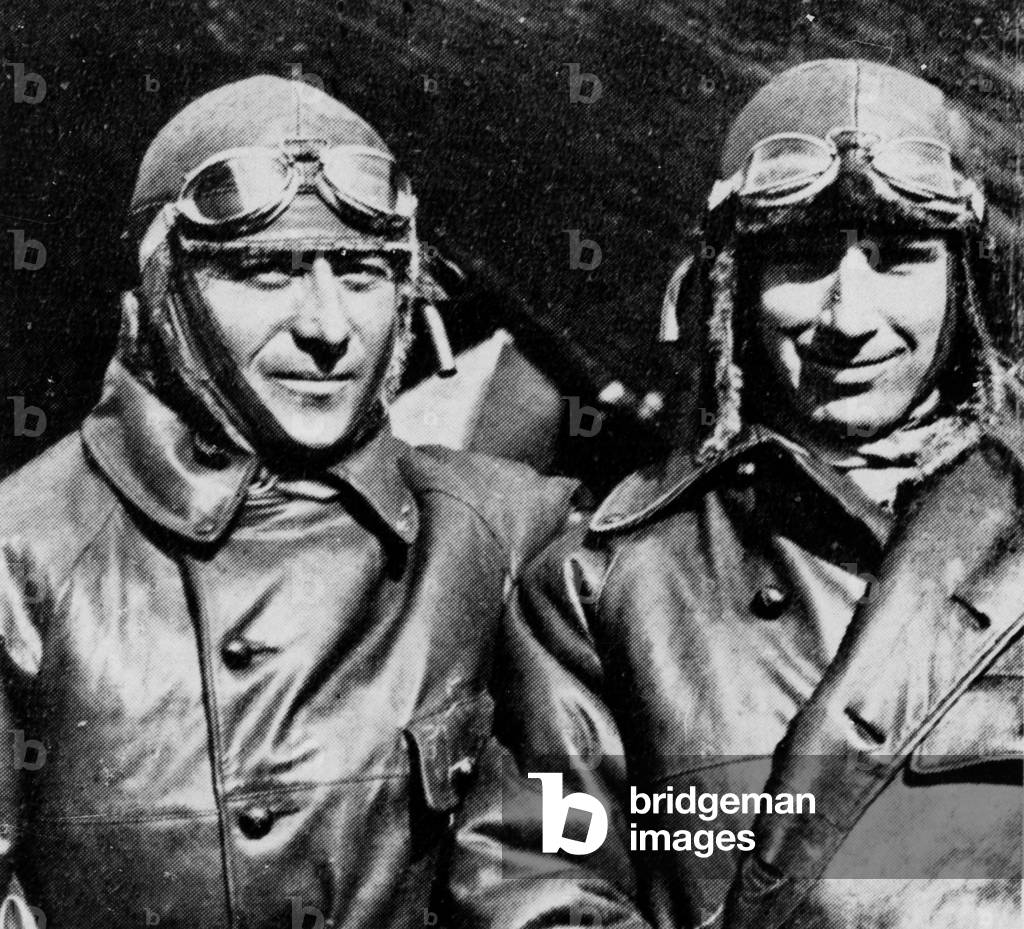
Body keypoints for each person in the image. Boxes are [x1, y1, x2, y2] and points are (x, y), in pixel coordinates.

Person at [450, 59, 1023, 929]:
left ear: (965, 284)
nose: (849, 316)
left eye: (902, 259)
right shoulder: (606, 583)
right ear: (733, 286)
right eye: (800, 260)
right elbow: (533, 877)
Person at [0, 75, 580, 929]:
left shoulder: (500, 534)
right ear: (167, 293)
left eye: (361, 271)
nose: (328, 326)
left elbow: (554, 864)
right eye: (265, 271)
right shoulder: (25, 553)